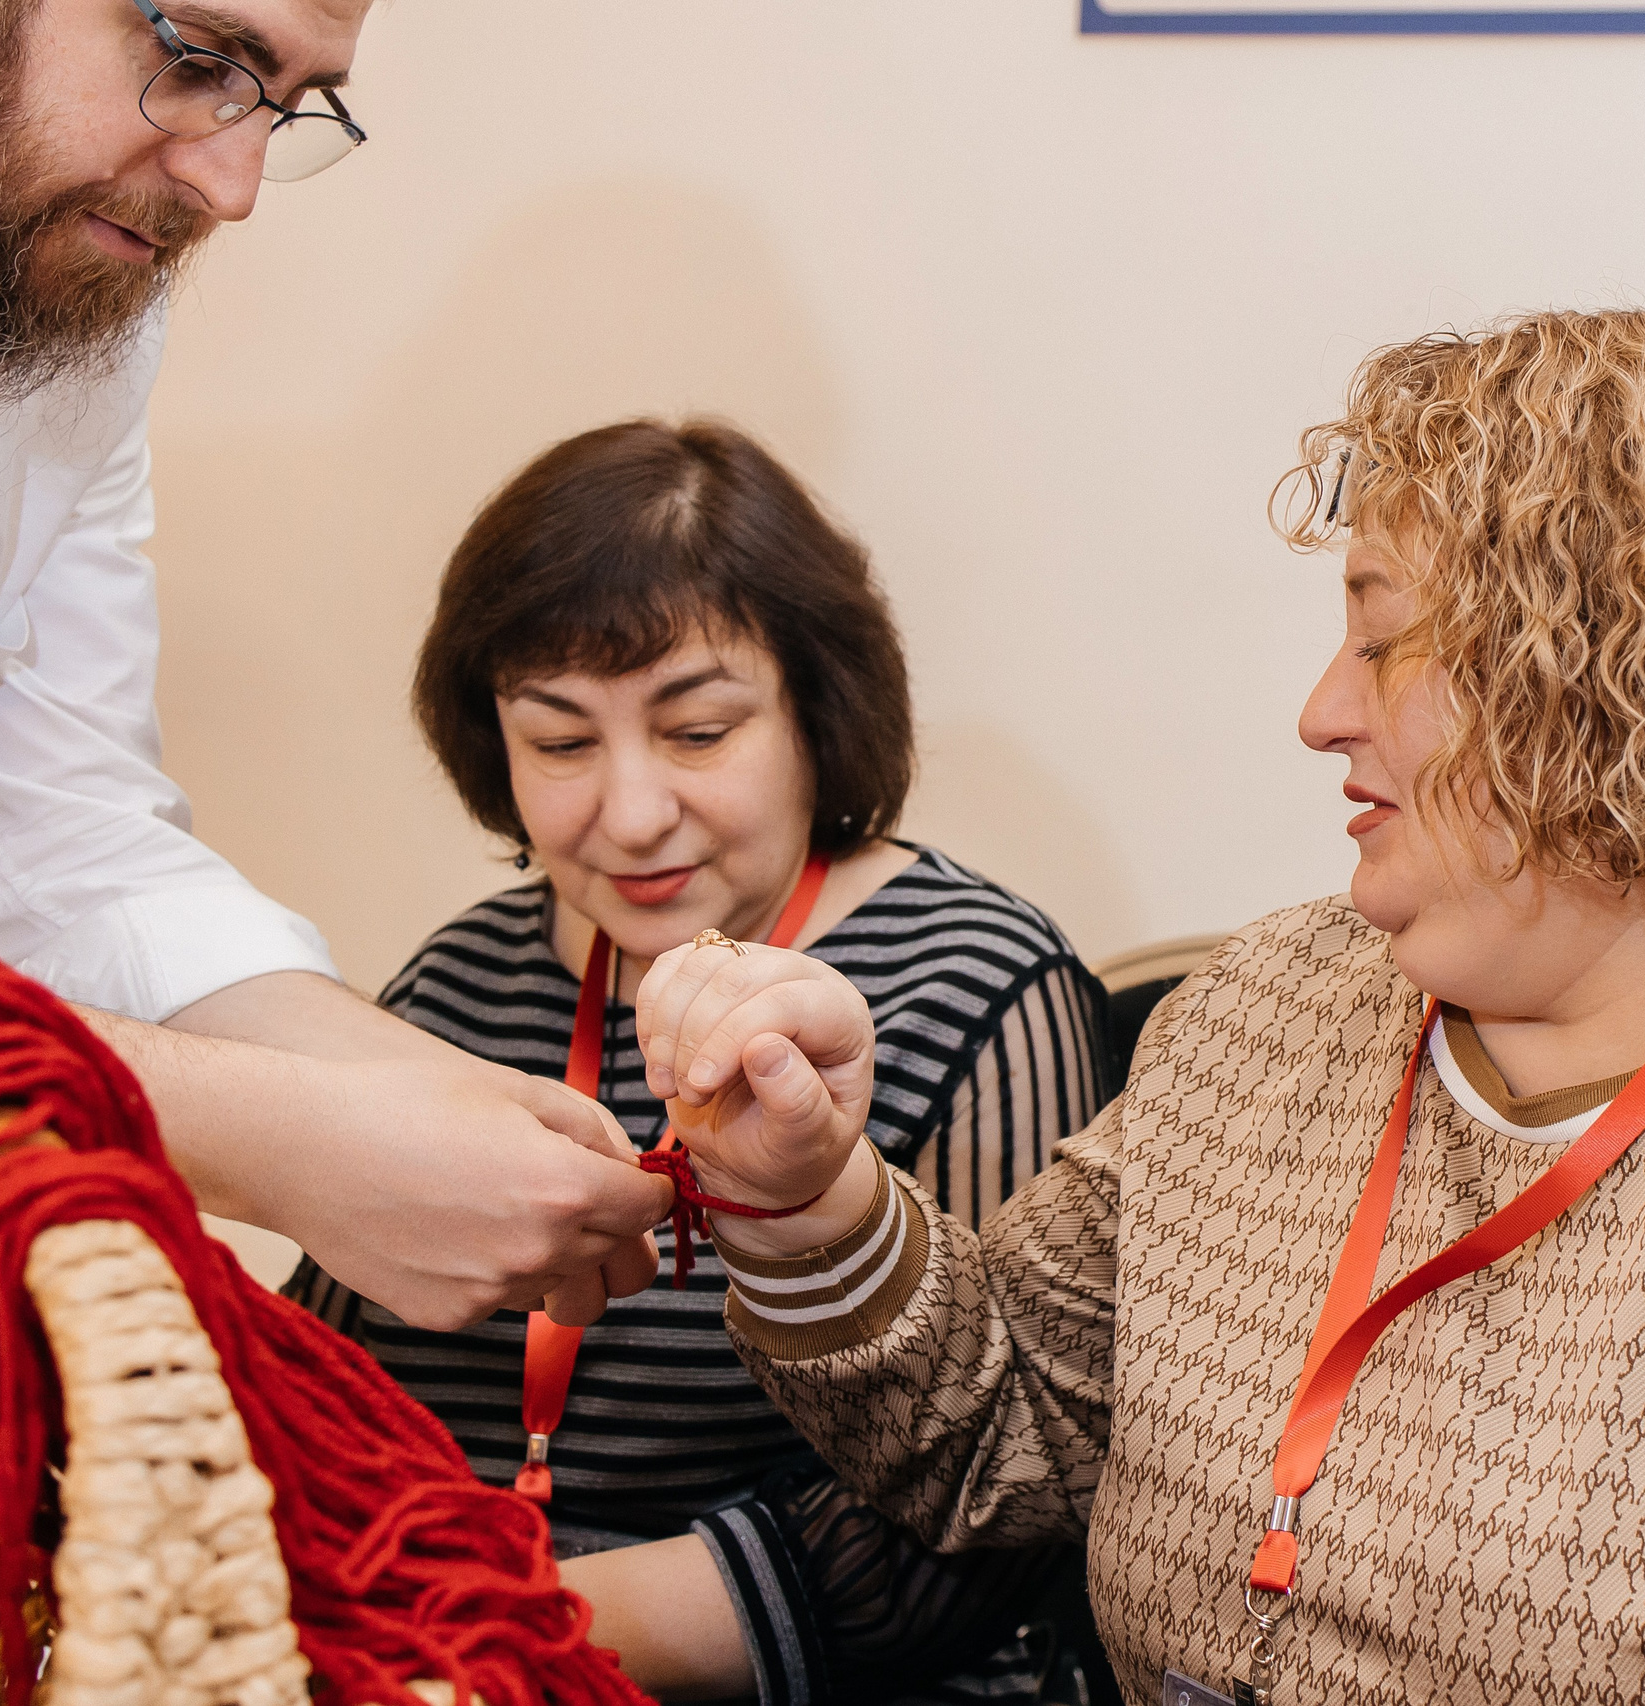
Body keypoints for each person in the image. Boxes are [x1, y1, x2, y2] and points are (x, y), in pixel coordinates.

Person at [631, 308, 1645, 1702]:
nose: (1321, 712)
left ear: (1613, 683)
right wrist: (805, 1194)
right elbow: (1007, 1440)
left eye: (1384, 642)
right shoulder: (1272, 1004)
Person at [0, 0, 670, 1332]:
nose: (233, 186)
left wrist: (400, 1083)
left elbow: (74, 837)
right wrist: (261, 1138)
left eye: (290, 102)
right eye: (197, 61)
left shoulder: (67, 294)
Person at [285, 418, 1115, 1706]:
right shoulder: (463, 976)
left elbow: (993, 1521)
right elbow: (317, 1386)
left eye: (697, 732)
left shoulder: (981, 983)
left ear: (812, 715)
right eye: (560, 743)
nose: (627, 813)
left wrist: (493, 1636)